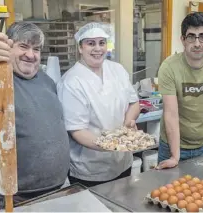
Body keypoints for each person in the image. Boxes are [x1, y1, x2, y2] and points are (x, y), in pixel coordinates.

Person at [0, 22, 70, 211]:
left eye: (36, 49)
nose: (30, 55)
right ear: (8, 48)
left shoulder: (46, 81)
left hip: (61, 187)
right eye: (23, 46)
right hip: (17, 198)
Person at [57, 22, 140, 187]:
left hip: (123, 162)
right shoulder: (72, 82)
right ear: (80, 48)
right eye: (90, 43)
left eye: (102, 42)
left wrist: (127, 125)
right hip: (90, 170)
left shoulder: (117, 70)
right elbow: (77, 131)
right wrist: (114, 144)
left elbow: (134, 103)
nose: (97, 48)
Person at [156, 12, 203, 169]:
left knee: (201, 190)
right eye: (191, 36)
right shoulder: (169, 67)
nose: (197, 43)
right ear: (183, 40)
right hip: (171, 145)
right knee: (169, 191)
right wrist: (175, 157)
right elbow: (171, 114)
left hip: (202, 143)